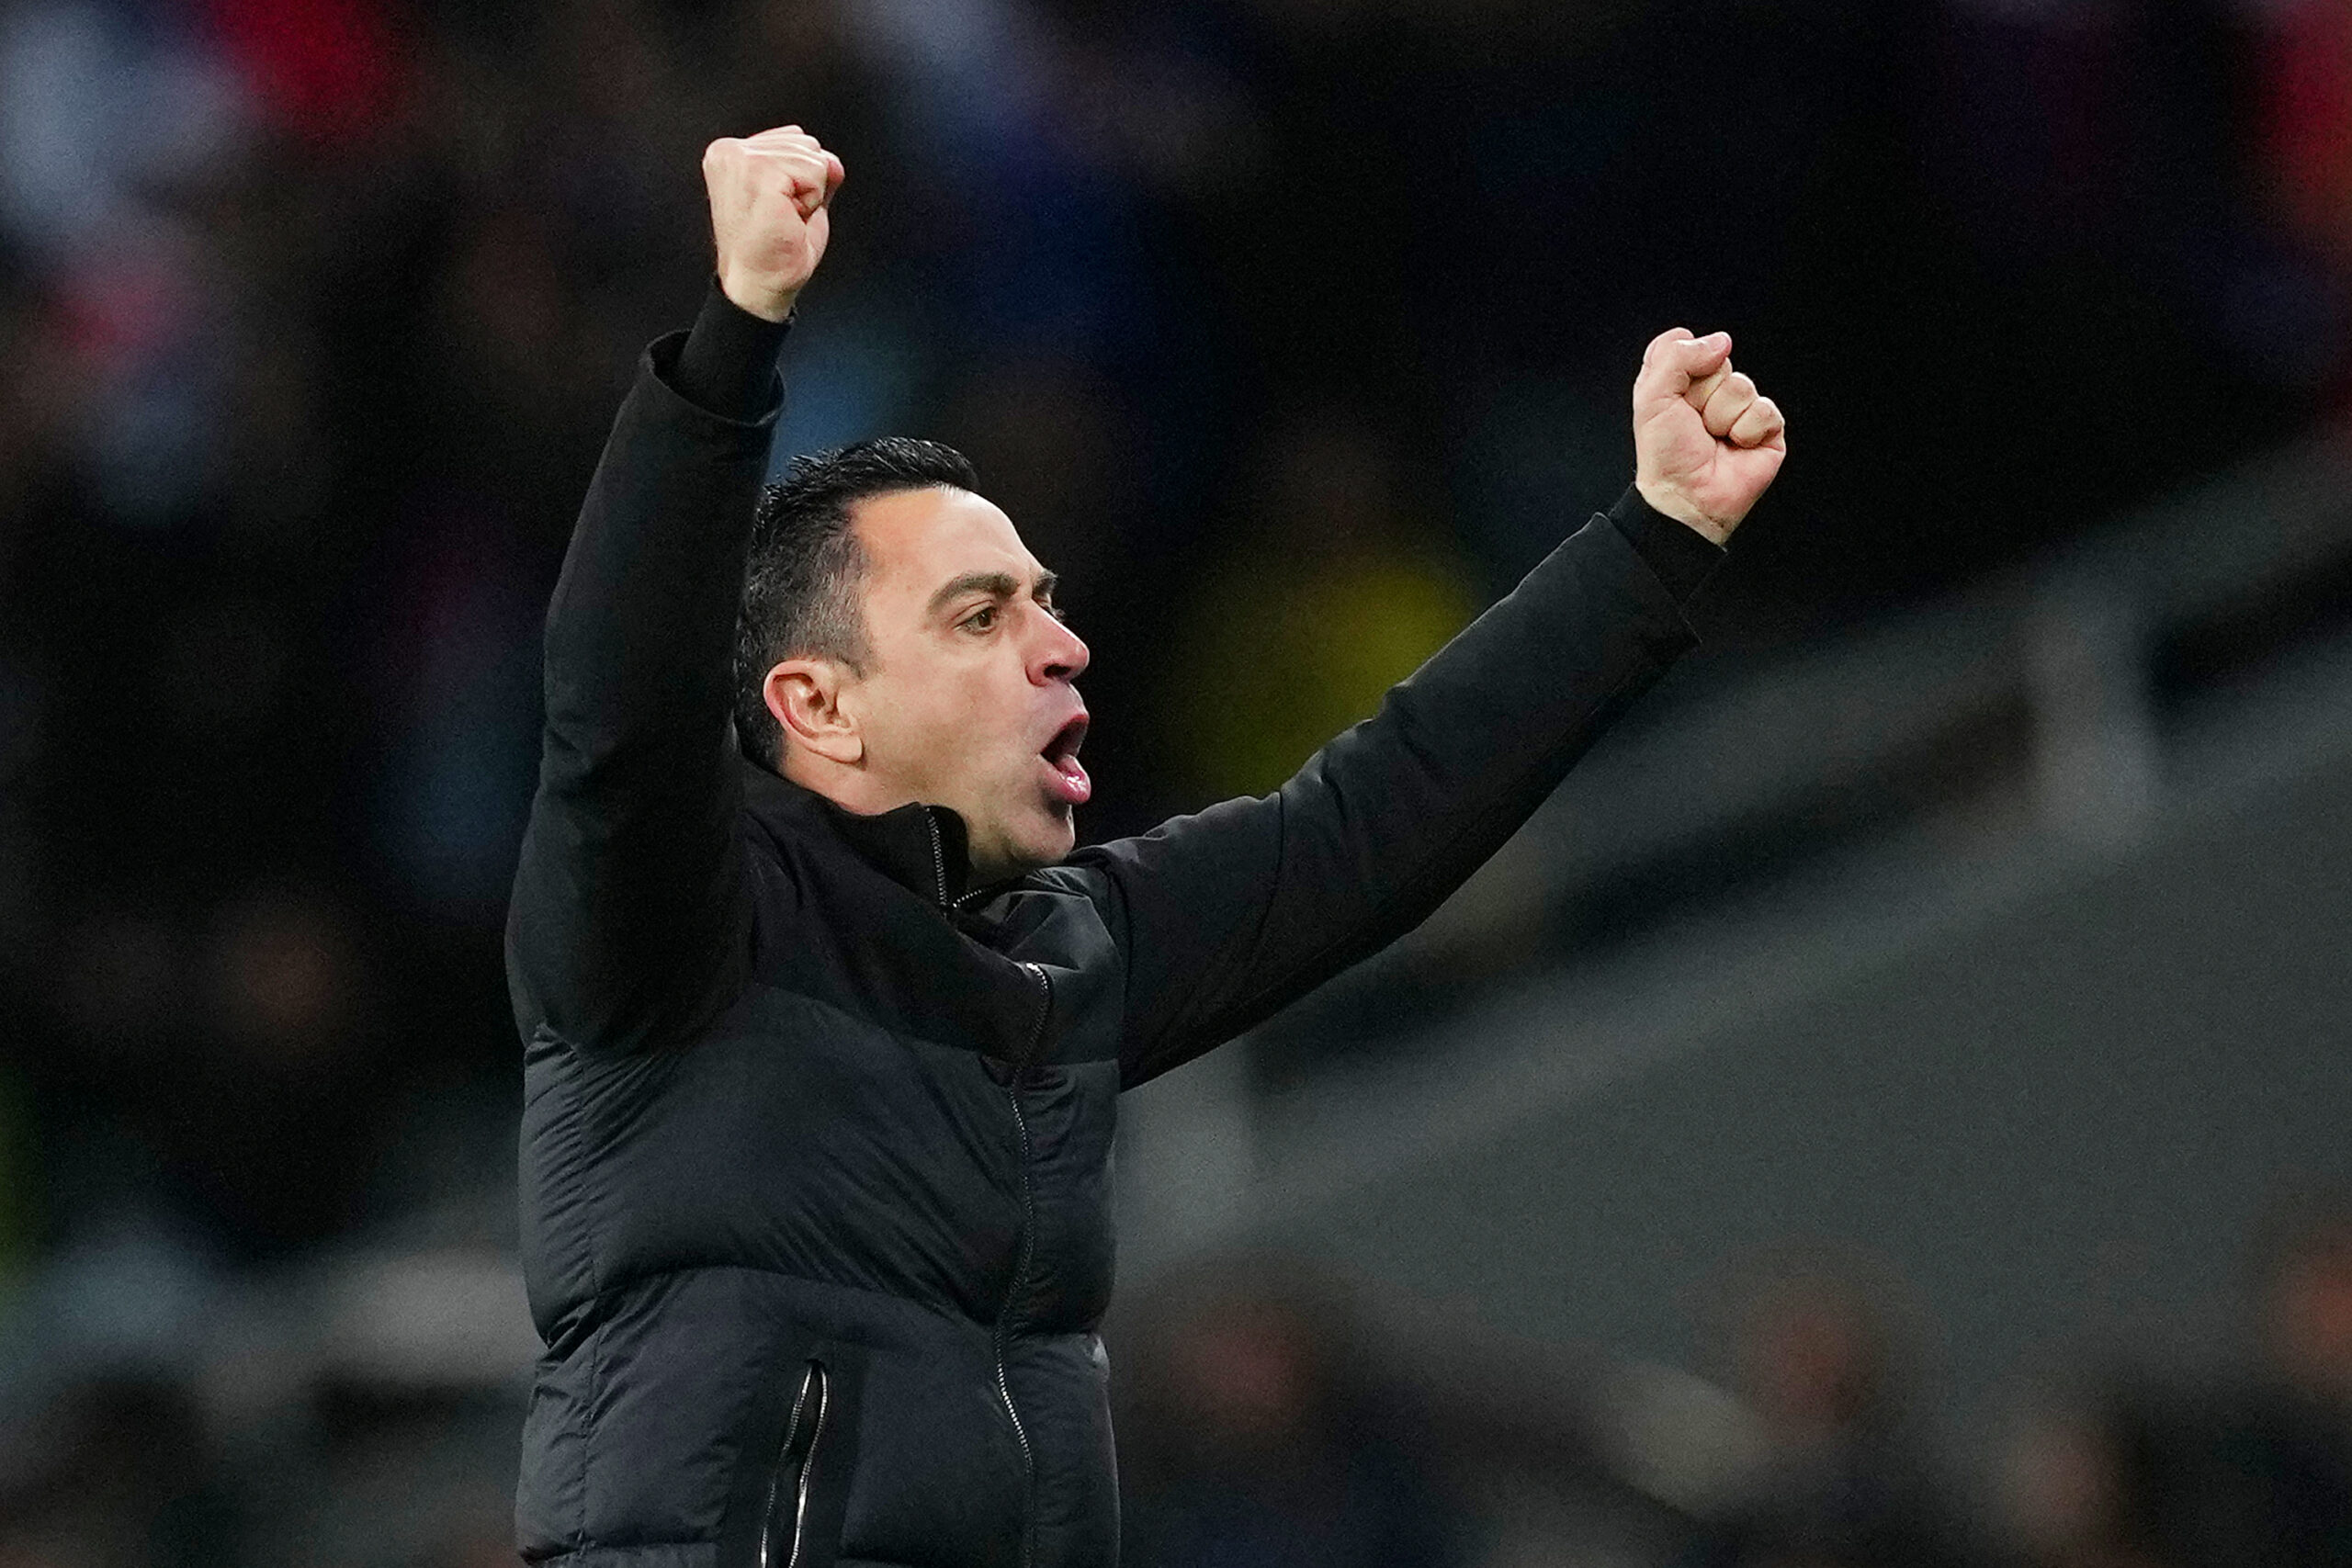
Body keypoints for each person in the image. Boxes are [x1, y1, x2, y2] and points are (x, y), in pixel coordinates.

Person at [504, 125, 1787, 1568]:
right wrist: (733, 337)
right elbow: (613, 700)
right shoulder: (676, 921)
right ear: (820, 706)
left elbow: (1367, 824)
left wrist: (1657, 534)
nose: (1063, 644)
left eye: (1047, 601)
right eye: (983, 616)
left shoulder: (1065, 952)